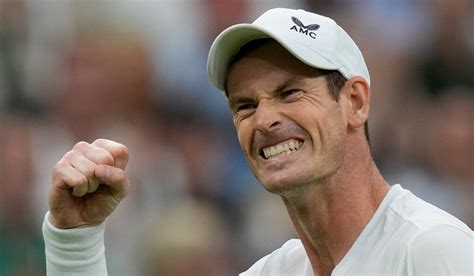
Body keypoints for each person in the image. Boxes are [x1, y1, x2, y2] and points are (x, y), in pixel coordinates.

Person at [42, 8, 473, 275]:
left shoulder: (434, 250)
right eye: (245, 105)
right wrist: (74, 241)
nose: (265, 119)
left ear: (355, 102)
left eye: (290, 93)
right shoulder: (273, 272)